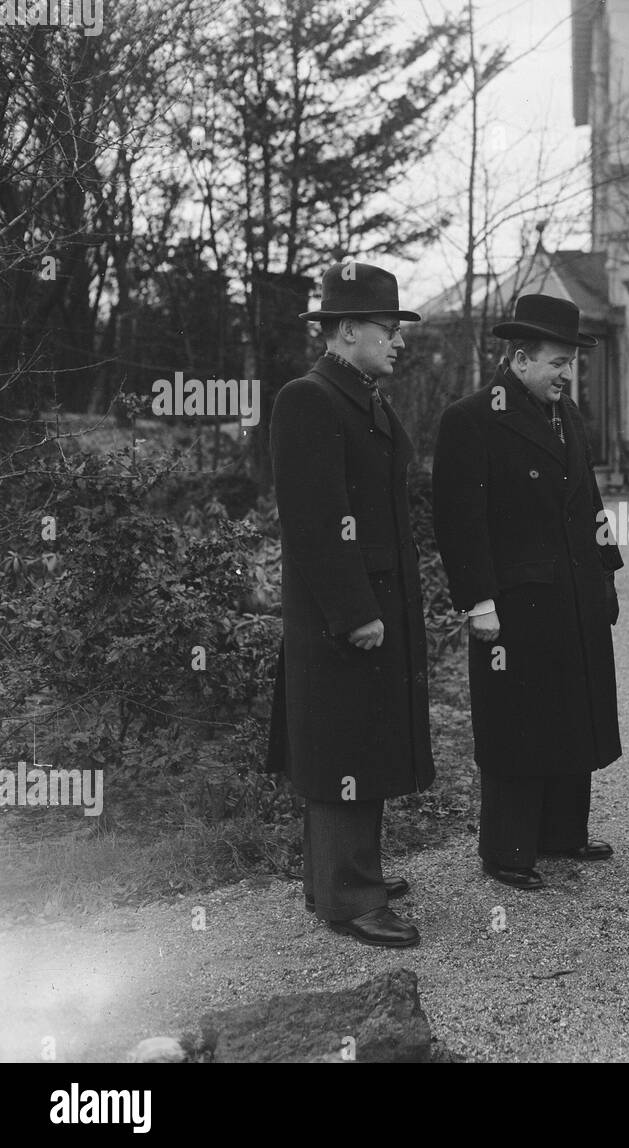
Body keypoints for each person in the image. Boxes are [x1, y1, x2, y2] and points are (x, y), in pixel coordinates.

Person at [265, 261, 434, 947]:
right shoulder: (310, 399)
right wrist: (354, 609)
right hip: (342, 615)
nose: (398, 341)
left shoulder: (362, 396)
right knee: (342, 743)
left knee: (361, 738)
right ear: (348, 330)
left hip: (372, 601)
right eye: (388, 329)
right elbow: (313, 520)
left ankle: (341, 875)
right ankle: (348, 896)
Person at [432, 294, 622, 891]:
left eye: (573, 363)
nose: (568, 375)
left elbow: (589, 505)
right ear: (517, 359)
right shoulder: (471, 419)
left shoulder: (569, 418)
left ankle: (562, 833)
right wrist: (479, 602)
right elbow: (460, 521)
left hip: (574, 591)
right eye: (557, 363)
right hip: (514, 603)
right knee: (517, 722)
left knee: (572, 711)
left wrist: (606, 573)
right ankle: (507, 851)